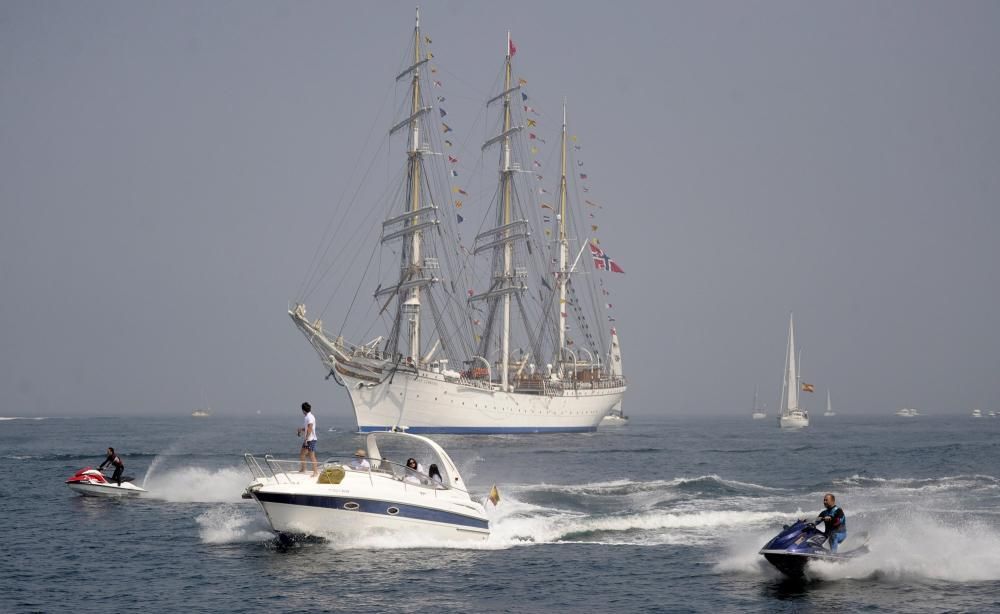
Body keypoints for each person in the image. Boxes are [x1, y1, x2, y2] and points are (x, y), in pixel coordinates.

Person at [297, 402, 319, 476]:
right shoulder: (307, 417)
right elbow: (307, 428)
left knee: (311, 455)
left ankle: (315, 472)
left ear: (303, 410)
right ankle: (303, 469)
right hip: (308, 439)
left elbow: (310, 428)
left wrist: (306, 439)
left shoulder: (310, 417)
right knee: (302, 454)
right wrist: (301, 429)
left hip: (311, 439)